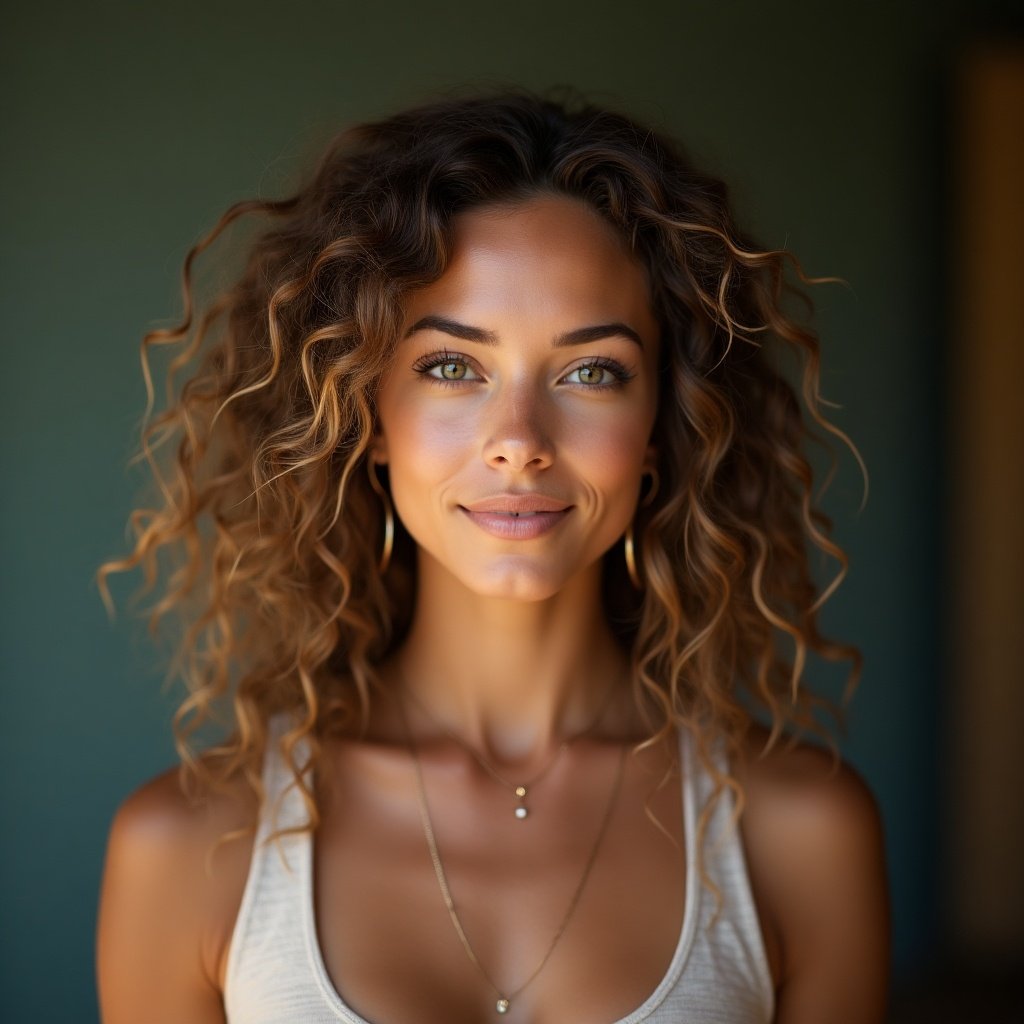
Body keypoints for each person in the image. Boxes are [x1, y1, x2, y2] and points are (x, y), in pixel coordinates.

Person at [95, 88, 889, 1023]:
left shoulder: (800, 837)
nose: (519, 440)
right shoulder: (188, 849)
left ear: (662, 431)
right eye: (451, 367)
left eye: (592, 371)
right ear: (369, 416)